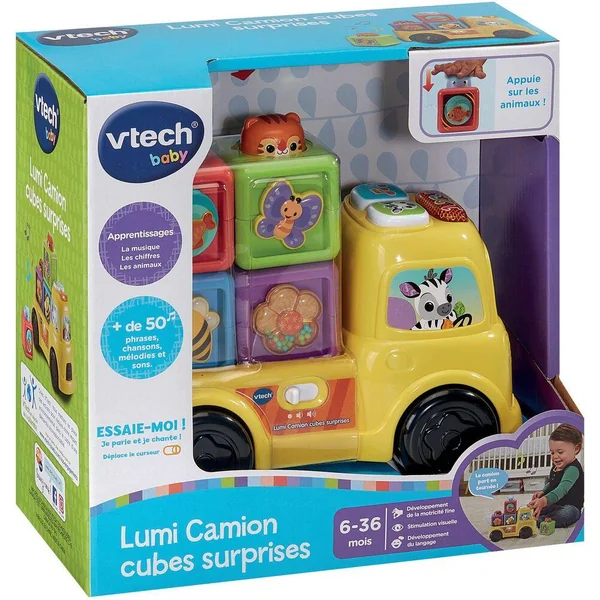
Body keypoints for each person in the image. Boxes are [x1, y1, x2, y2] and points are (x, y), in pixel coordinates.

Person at [528, 424, 584, 528]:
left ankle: (541, 520)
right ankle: (531, 515)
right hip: (556, 504)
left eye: (560, 452)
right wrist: (543, 492)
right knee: (537, 506)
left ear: (576, 449)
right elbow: (551, 483)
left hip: (571, 506)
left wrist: (544, 500)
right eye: (552, 452)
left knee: (568, 513)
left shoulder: (573, 469)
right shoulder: (555, 468)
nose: (555, 457)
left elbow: (561, 489)